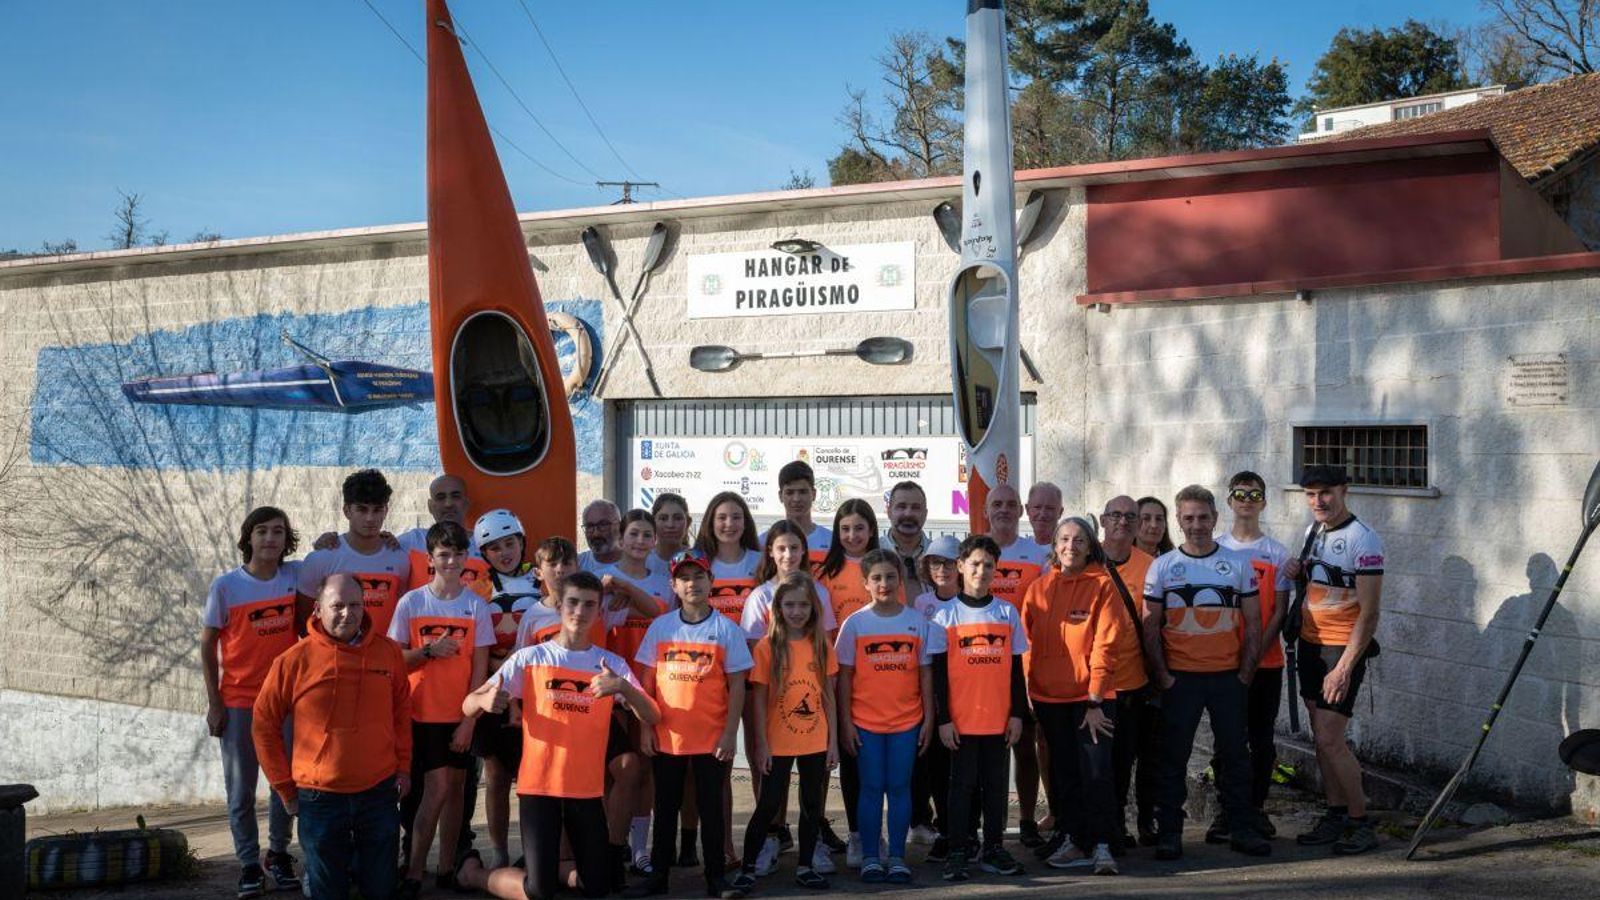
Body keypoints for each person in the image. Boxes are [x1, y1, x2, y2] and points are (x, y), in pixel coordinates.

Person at [460, 571, 661, 900]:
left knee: (598, 889)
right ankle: (475, 875)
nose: (580, 612)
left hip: (586, 792)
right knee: (538, 891)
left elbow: (652, 715)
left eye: (589, 605)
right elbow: (468, 705)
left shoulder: (610, 665)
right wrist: (483, 699)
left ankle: (553, 866)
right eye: (573, 602)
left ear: (599, 611)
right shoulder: (530, 658)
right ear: (560, 606)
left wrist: (624, 688)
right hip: (539, 789)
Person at [253, 574, 411, 900]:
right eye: (336, 605)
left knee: (381, 889)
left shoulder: (388, 653)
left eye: (354, 605)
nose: (346, 613)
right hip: (319, 798)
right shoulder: (293, 660)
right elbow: (263, 724)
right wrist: (284, 788)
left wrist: (404, 767)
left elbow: (401, 714)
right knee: (328, 892)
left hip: (378, 793)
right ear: (318, 608)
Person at [1142, 486, 1268, 861]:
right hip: (1181, 680)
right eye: (1188, 518)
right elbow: (1150, 627)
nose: (1196, 525)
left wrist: (1246, 672)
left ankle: (1241, 828)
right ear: (1178, 521)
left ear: (1215, 518)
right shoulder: (1162, 566)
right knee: (1172, 759)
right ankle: (1170, 833)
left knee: (1234, 757)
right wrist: (1163, 676)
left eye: (1202, 517)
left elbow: (1255, 623)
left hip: (1228, 677)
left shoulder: (1238, 564)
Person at [628, 549, 753, 900]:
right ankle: (659, 877)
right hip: (668, 738)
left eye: (699, 576)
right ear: (673, 585)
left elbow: (738, 686)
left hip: (712, 739)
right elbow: (646, 682)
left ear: (711, 581)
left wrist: (731, 734)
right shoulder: (661, 626)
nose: (692, 583)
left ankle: (716, 879)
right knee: (665, 809)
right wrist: (645, 728)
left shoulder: (726, 630)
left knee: (711, 812)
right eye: (684, 578)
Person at [389, 521, 496, 896]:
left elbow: (480, 670)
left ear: (467, 557)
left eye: (458, 554)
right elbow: (394, 660)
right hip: (422, 715)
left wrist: (469, 720)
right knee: (434, 791)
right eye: (443, 555)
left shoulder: (475, 607)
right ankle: (415, 871)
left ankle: (447, 867)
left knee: (455, 791)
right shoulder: (412, 602)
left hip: (461, 715)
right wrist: (429, 651)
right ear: (431, 559)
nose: (452, 561)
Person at [201, 506, 303, 897]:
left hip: (285, 701)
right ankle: (248, 863)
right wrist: (215, 703)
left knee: (286, 783)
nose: (270, 539)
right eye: (262, 531)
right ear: (249, 538)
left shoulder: (294, 576)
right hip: (240, 702)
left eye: (278, 532)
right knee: (241, 790)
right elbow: (208, 645)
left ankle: (277, 854)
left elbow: (331, 559)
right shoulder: (226, 586)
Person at [1286, 465, 1385, 856]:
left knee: (1330, 738)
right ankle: (1335, 813)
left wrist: (1344, 666)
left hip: (1340, 650)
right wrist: (1297, 569)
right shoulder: (1314, 531)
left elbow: (1370, 612)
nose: (1318, 501)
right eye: (1310, 494)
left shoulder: (1364, 540)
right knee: (1321, 739)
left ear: (1344, 490)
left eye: (1325, 492)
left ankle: (1360, 822)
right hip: (1310, 645)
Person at [737, 521, 838, 877]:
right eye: (790, 605)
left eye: (803, 606)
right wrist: (761, 743)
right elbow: (759, 698)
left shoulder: (821, 644)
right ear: (777, 608)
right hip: (777, 741)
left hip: (814, 739)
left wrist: (833, 742)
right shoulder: (767, 648)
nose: (797, 611)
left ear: (813, 609)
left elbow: (828, 696)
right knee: (767, 804)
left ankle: (806, 865)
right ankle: (748, 867)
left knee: (812, 804)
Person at [1023, 517, 1122, 875]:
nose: (1070, 546)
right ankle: (1073, 839)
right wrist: (1030, 692)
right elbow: (1026, 645)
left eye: (1079, 540)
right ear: (1054, 545)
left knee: (1095, 774)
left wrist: (1095, 698)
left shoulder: (1102, 586)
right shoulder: (1038, 588)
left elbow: (1106, 645)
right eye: (1064, 539)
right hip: (1049, 701)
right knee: (1065, 775)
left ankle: (1102, 845)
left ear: (1090, 545)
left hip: (1090, 701)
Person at [928, 535, 1029, 882]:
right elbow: (938, 674)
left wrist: (1017, 713)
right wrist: (944, 719)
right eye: (974, 564)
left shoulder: (1007, 612)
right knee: (960, 789)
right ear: (960, 566)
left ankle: (994, 848)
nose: (981, 571)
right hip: (961, 722)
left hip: (999, 721)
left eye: (988, 565)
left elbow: (1017, 670)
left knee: (996, 788)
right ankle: (958, 850)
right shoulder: (944, 616)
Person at [835, 551, 934, 885]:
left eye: (890, 576)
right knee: (872, 787)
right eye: (876, 578)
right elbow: (845, 678)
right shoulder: (855, 624)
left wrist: (930, 719)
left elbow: (925, 677)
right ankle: (871, 858)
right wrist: (846, 723)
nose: (884, 584)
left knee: (900, 787)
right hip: (866, 722)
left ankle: (897, 857)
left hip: (908, 721)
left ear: (899, 580)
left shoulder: (916, 622)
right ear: (865, 583)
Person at [1210, 471, 1292, 842]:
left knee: (1261, 740)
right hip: (1224, 662)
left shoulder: (1277, 553)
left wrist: (1257, 651)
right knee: (1227, 738)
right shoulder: (1215, 549)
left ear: (1263, 502)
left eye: (1254, 494)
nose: (1246, 499)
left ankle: (1255, 808)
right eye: (1240, 493)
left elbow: (1280, 612)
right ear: (1229, 501)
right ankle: (1227, 811)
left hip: (1266, 663)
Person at [472, 509, 543, 871]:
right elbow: (474, 646)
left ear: (522, 541)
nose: (505, 552)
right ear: (484, 553)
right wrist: (498, 669)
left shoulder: (541, 580)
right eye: (495, 547)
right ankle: (499, 851)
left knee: (535, 776)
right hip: (495, 690)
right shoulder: (477, 588)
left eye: (510, 543)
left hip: (537, 693)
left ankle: (537, 852)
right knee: (497, 775)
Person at [979, 484, 1050, 848]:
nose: (1004, 510)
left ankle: (1024, 820)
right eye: (997, 504)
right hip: (978, 666)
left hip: (1023, 664)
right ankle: (986, 824)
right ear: (986, 509)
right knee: (985, 750)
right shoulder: (976, 551)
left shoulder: (1036, 554)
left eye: (1010, 504)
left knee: (1025, 746)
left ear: (1020, 510)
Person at [812, 498, 880, 866]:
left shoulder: (885, 570)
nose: (853, 535)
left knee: (866, 760)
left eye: (859, 528)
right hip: (835, 677)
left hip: (878, 679)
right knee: (835, 757)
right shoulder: (825, 573)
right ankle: (833, 832)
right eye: (845, 529)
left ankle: (865, 833)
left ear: (871, 530)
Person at [1099, 495, 1159, 848]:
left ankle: (1119, 822)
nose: (1122, 521)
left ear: (1137, 526)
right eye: (1115, 515)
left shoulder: (1151, 566)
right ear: (1104, 521)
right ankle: (1091, 823)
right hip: (1091, 685)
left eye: (1129, 517)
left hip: (1132, 683)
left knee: (1123, 760)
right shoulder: (1086, 560)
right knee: (1093, 762)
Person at [296, 468, 411, 637]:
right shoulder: (321, 559)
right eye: (362, 510)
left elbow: (402, 614)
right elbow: (303, 622)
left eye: (377, 509)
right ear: (347, 511)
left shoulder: (400, 559)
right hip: (336, 659)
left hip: (383, 659)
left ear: (386, 511)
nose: (370, 518)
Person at [908, 535, 962, 860]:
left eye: (949, 562)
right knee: (936, 770)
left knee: (967, 771)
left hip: (967, 697)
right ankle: (944, 829)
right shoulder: (921, 605)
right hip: (931, 697)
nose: (941, 569)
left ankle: (966, 830)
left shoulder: (971, 601)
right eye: (934, 562)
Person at [396, 475, 491, 597]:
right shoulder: (413, 541)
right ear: (430, 506)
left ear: (466, 503)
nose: (448, 504)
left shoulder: (485, 546)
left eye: (455, 496)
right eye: (440, 498)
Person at [766, 460, 834, 564]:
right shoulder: (765, 541)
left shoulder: (831, 540)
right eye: (790, 492)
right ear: (780, 496)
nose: (796, 499)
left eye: (802, 492)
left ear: (814, 494)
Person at [884, 482, 931, 600]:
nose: (908, 514)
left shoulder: (938, 555)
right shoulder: (874, 551)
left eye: (915, 507)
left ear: (925, 514)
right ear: (889, 512)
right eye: (901, 506)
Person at [649, 493, 693, 574]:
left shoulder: (699, 561)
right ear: (652, 523)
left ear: (688, 523)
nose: (670, 525)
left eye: (678, 518)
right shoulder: (641, 561)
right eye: (663, 518)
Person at [579, 500, 624, 572]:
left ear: (619, 526)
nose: (596, 533)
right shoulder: (576, 565)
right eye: (590, 526)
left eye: (603, 525)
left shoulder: (643, 563)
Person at [1025, 482, 1063, 547]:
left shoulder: (1069, 550)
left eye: (1049, 508)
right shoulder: (1018, 549)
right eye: (1037, 507)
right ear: (1027, 509)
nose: (1043, 514)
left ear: (1060, 512)